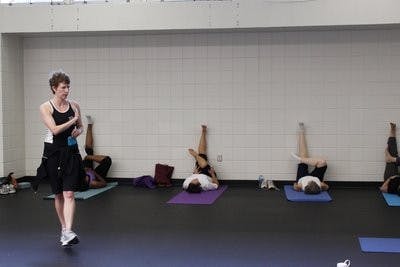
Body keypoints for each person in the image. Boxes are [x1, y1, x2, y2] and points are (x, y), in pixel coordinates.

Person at [38, 71, 84, 247]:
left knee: (69, 193)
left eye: (68, 87)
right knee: (58, 195)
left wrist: (77, 131)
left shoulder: (74, 105)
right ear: (54, 88)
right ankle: (63, 228)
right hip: (53, 153)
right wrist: (73, 122)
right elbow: (55, 130)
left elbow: (80, 127)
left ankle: (68, 231)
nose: (67, 90)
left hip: (70, 152)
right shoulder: (45, 107)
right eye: (63, 87)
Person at [291, 122, 329, 194]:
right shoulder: (320, 185)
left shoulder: (301, 185)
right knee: (322, 162)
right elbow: (327, 187)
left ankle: (301, 131)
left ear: (307, 185)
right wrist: (324, 186)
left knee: (303, 155)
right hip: (316, 177)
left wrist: (296, 186)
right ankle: (300, 159)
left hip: (302, 177)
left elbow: (295, 186)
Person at [183, 125, 219, 193]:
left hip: (198, 172)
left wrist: (194, 174)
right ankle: (196, 155)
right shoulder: (205, 185)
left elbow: (191, 178)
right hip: (208, 174)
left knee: (202, 155)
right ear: (199, 185)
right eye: (194, 181)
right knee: (204, 164)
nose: (193, 180)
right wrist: (212, 174)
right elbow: (216, 184)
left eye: (191, 181)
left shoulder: (186, 184)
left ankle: (203, 132)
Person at [82, 116, 112, 189]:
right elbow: (104, 183)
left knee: (88, 149)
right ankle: (86, 156)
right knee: (107, 160)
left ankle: (89, 124)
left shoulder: (77, 176)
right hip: (97, 176)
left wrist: (84, 170)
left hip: (87, 171)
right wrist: (93, 172)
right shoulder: (92, 183)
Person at [380, 122, 400, 194]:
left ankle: (392, 158)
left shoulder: (394, 189)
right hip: (396, 177)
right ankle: (392, 158)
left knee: (391, 157)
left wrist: (390, 179)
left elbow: (382, 188)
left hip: (393, 177)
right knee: (392, 157)